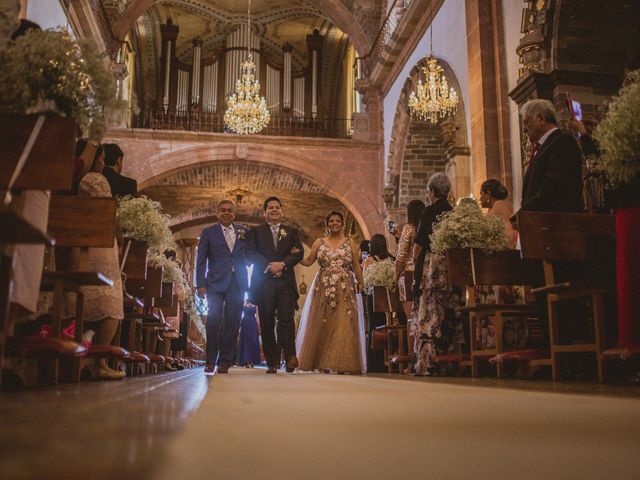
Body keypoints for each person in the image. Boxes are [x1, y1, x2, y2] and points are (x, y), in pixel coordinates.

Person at [72, 141, 125, 379]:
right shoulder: (94, 180)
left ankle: (80, 358)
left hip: (76, 245)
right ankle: (98, 363)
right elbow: (107, 214)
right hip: (98, 246)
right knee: (110, 304)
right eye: (101, 158)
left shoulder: (73, 179)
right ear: (95, 158)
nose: (103, 163)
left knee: (81, 301)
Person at [296, 211, 366, 374]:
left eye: (338, 221)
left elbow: (356, 265)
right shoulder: (319, 242)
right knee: (323, 321)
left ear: (342, 224)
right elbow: (308, 261)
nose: (335, 223)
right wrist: (295, 256)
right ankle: (321, 361)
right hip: (324, 285)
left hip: (345, 285)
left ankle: (342, 362)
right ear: (327, 224)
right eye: (331, 221)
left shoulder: (350, 242)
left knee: (344, 322)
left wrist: (361, 283)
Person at [247, 197, 303, 374]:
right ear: (265, 213)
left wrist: (283, 264)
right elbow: (250, 252)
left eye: (277, 207)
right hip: (264, 283)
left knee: (286, 319)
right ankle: (272, 361)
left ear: (282, 211)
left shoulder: (291, 232)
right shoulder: (256, 232)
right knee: (267, 321)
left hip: (285, 282)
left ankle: (290, 358)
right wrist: (271, 266)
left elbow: (299, 252)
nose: (274, 210)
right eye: (270, 208)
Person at [196, 200, 249, 375]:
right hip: (215, 283)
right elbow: (201, 260)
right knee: (213, 320)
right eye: (223, 211)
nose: (226, 213)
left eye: (230, 211)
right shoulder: (208, 233)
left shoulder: (244, 231)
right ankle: (210, 360)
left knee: (233, 322)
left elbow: (251, 253)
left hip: (238, 283)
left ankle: (225, 362)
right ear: (217, 213)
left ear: (234, 214)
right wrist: (200, 284)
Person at [412, 173, 456, 376]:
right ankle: (450, 360)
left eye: (428, 191)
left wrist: (415, 264)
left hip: (432, 266)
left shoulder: (429, 211)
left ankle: (428, 362)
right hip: (449, 266)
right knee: (446, 309)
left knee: (429, 308)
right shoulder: (452, 212)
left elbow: (420, 243)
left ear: (432, 191)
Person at [517, 99, 583, 214]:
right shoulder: (543, 148)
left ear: (541, 119)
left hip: (558, 222)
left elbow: (553, 186)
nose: (524, 130)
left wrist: (524, 212)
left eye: (527, 122)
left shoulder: (563, 142)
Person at [394, 200, 425, 299]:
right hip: (426, 270)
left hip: (410, 272)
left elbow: (402, 255)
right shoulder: (426, 227)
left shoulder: (409, 228)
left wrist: (395, 276)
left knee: (410, 306)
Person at [479, 179, 517, 248]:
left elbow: (508, 236)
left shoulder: (499, 205)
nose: (480, 198)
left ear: (488, 194)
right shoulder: (493, 208)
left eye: (481, 194)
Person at [237, 303, 261, 368]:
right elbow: (239, 313)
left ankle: (252, 360)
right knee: (245, 341)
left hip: (253, 323)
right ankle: (246, 361)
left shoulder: (256, 304)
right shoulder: (244, 303)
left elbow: (258, 316)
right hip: (245, 322)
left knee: (253, 341)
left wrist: (258, 325)